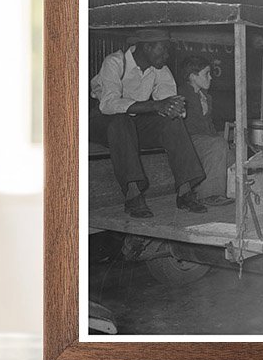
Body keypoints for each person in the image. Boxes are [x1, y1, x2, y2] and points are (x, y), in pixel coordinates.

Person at [88, 29, 207, 219]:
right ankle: (133, 194)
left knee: (172, 122)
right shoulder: (115, 62)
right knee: (121, 120)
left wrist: (174, 108)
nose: (167, 55)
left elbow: (168, 101)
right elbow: (109, 104)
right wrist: (156, 105)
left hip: (134, 123)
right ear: (147, 46)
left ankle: (185, 191)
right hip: (102, 122)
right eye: (164, 50)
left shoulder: (160, 69)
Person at [179, 55, 234, 206]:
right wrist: (217, 141)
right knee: (217, 145)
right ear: (193, 76)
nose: (211, 78)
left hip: (204, 140)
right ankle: (208, 194)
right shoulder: (181, 95)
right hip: (187, 140)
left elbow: (208, 125)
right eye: (206, 74)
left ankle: (235, 192)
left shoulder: (206, 97)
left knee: (233, 155)